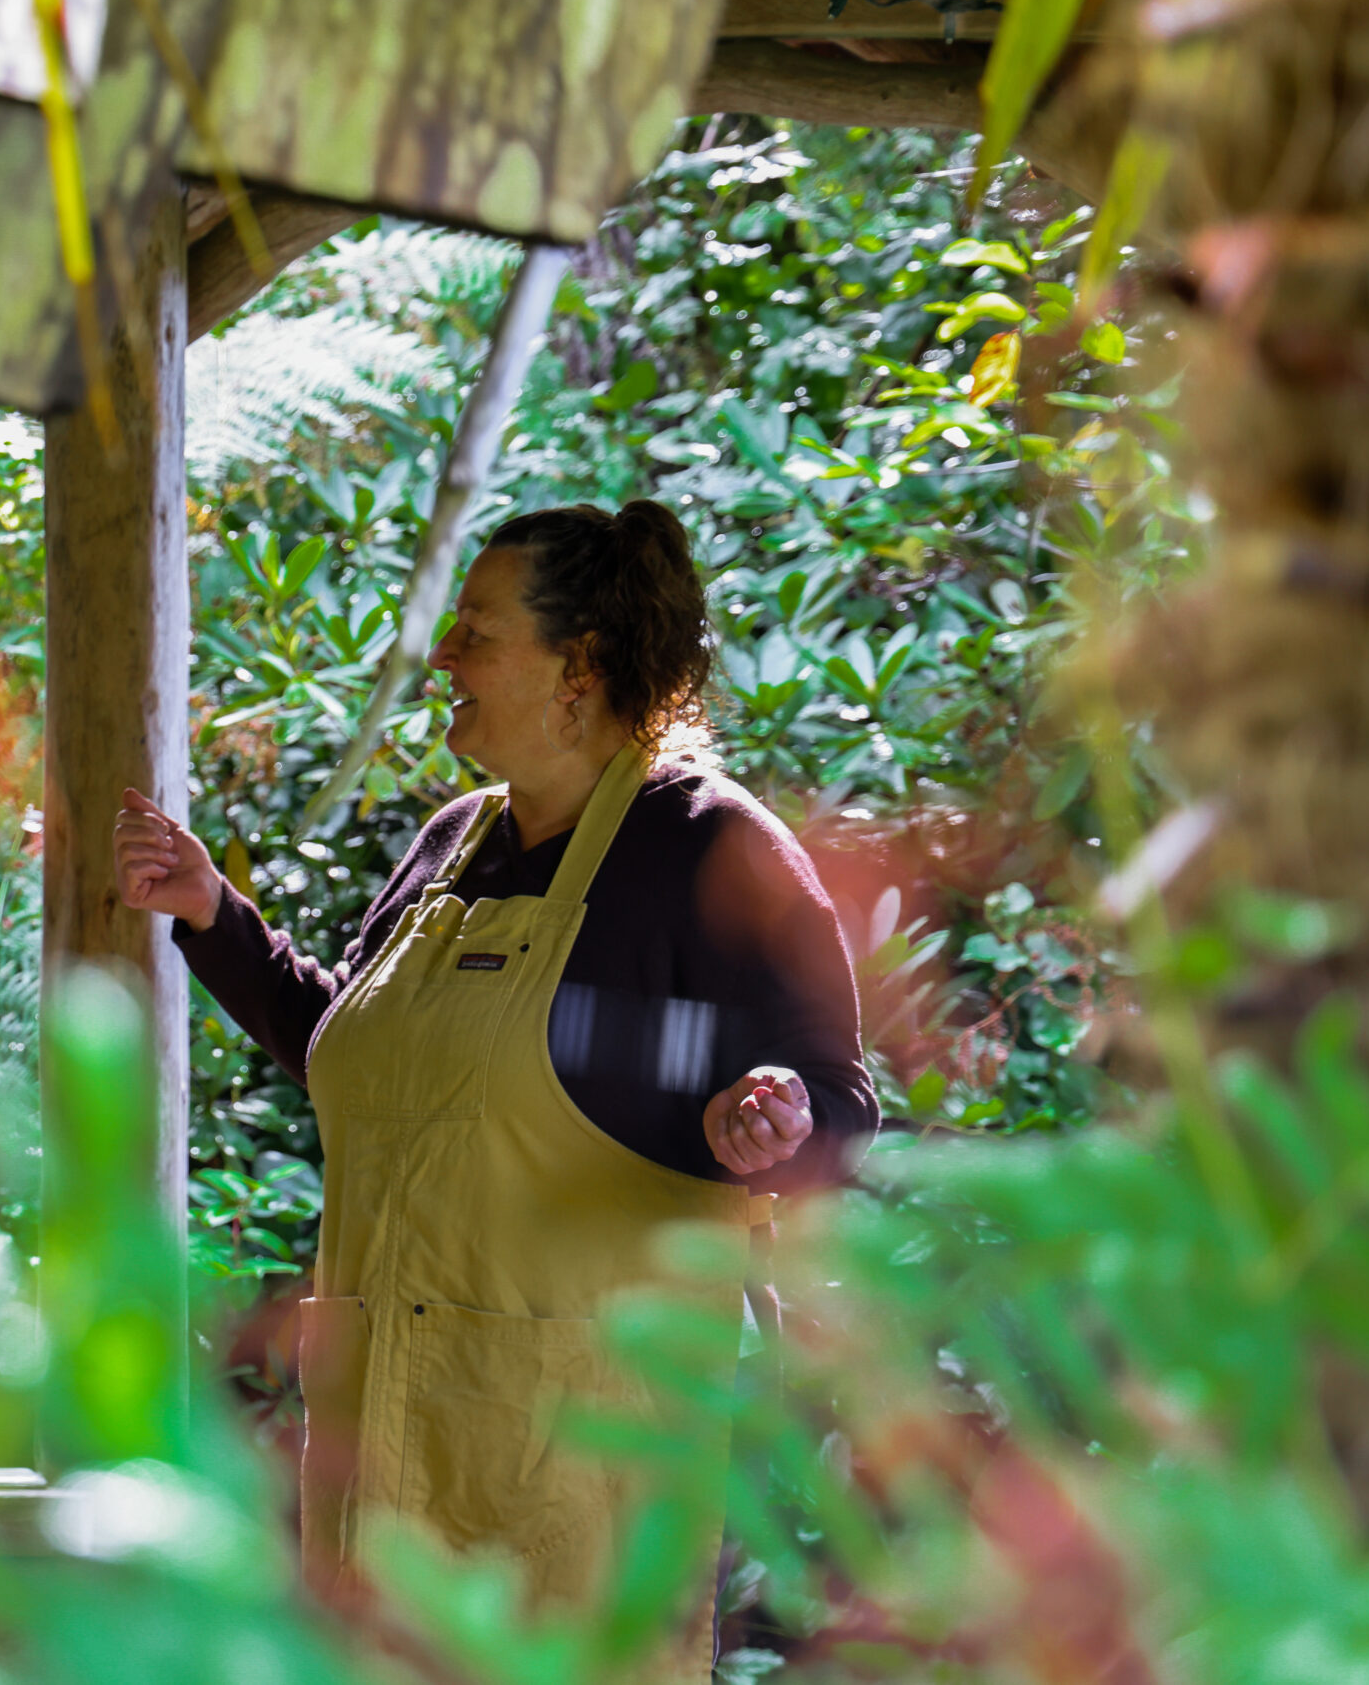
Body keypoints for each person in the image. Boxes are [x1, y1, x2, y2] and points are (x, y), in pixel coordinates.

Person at [112, 500, 876, 1665]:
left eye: (476, 630)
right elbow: (351, 1055)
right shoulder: (452, 845)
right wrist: (214, 920)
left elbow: (832, 1101)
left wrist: (766, 1117)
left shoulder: (709, 849)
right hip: (379, 1453)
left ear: (580, 666)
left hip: (576, 1477)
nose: (444, 656)